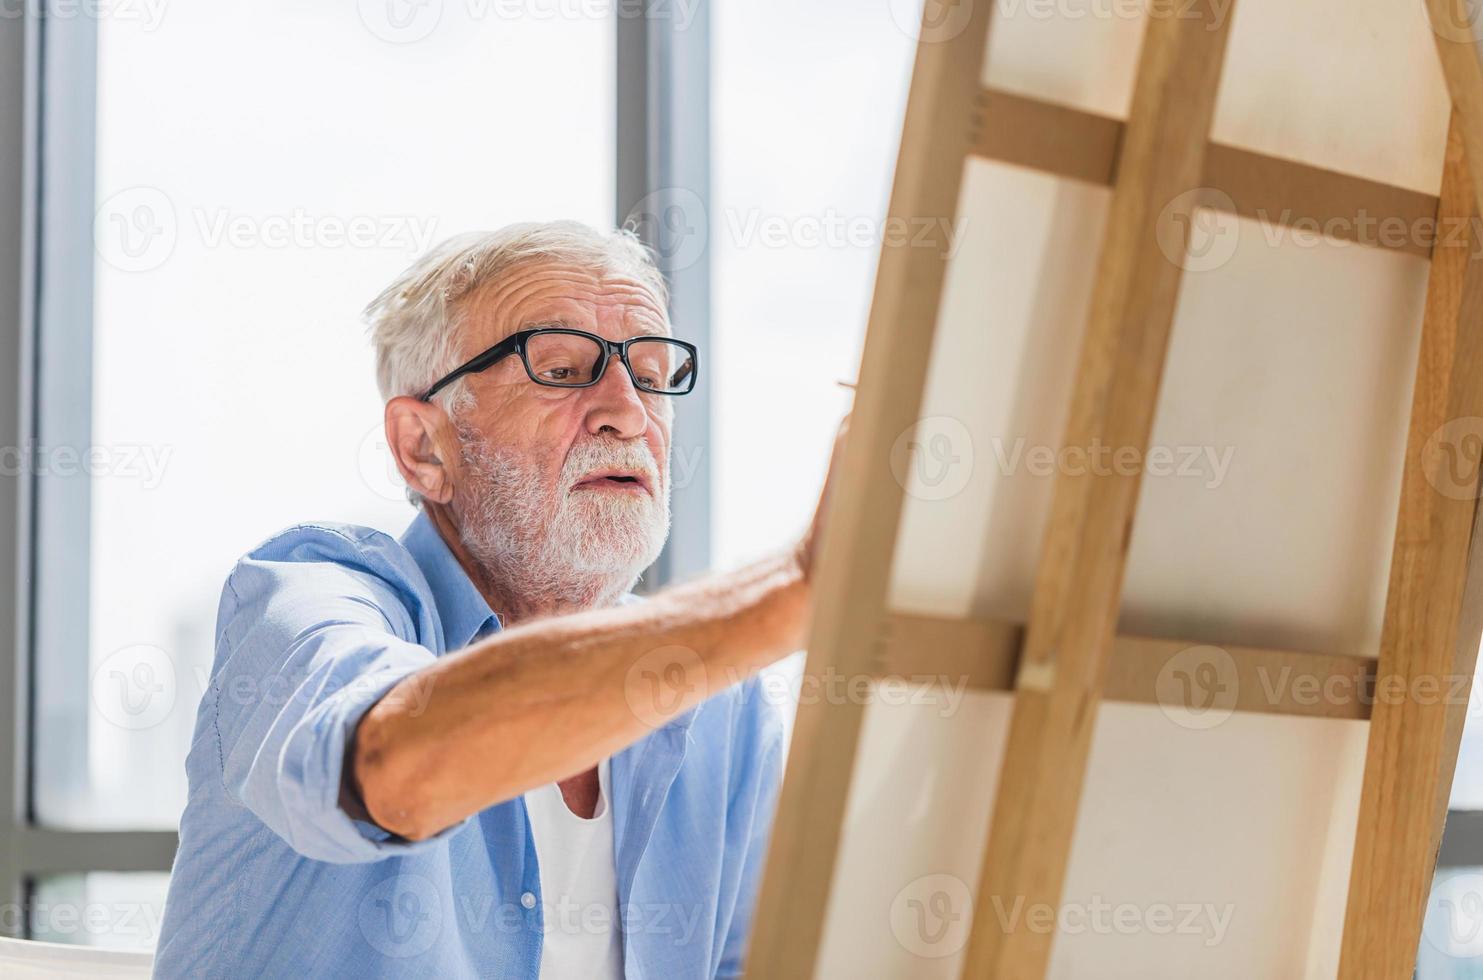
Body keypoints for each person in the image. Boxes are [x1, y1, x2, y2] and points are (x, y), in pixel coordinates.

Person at [153, 221, 840, 979]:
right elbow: (392, 767)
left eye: (649, 373)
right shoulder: (309, 594)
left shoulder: (723, 708)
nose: (628, 411)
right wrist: (797, 591)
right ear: (423, 446)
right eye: (560, 368)